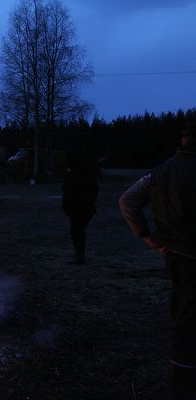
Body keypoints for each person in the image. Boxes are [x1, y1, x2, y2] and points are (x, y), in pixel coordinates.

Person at [119, 123, 196, 400]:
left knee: (182, 309)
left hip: (174, 253)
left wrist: (146, 236)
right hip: (190, 254)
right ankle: (182, 382)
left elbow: (128, 200)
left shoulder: (161, 171)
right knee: (189, 316)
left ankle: (181, 371)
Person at [61, 154, 99, 264]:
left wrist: (67, 208)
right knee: (79, 232)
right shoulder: (88, 175)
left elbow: (67, 194)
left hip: (78, 209)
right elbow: (95, 189)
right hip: (87, 208)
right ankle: (80, 256)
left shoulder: (72, 177)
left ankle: (79, 257)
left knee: (77, 232)